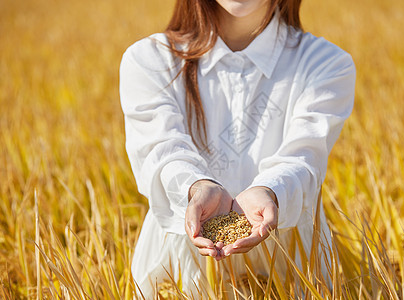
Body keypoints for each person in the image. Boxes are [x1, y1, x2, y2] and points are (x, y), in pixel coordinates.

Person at [119, 0, 356, 297]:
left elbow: (304, 154)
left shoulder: (327, 63)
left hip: (292, 269)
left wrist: (270, 191)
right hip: (182, 271)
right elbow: (163, 149)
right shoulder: (148, 60)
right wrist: (196, 187)